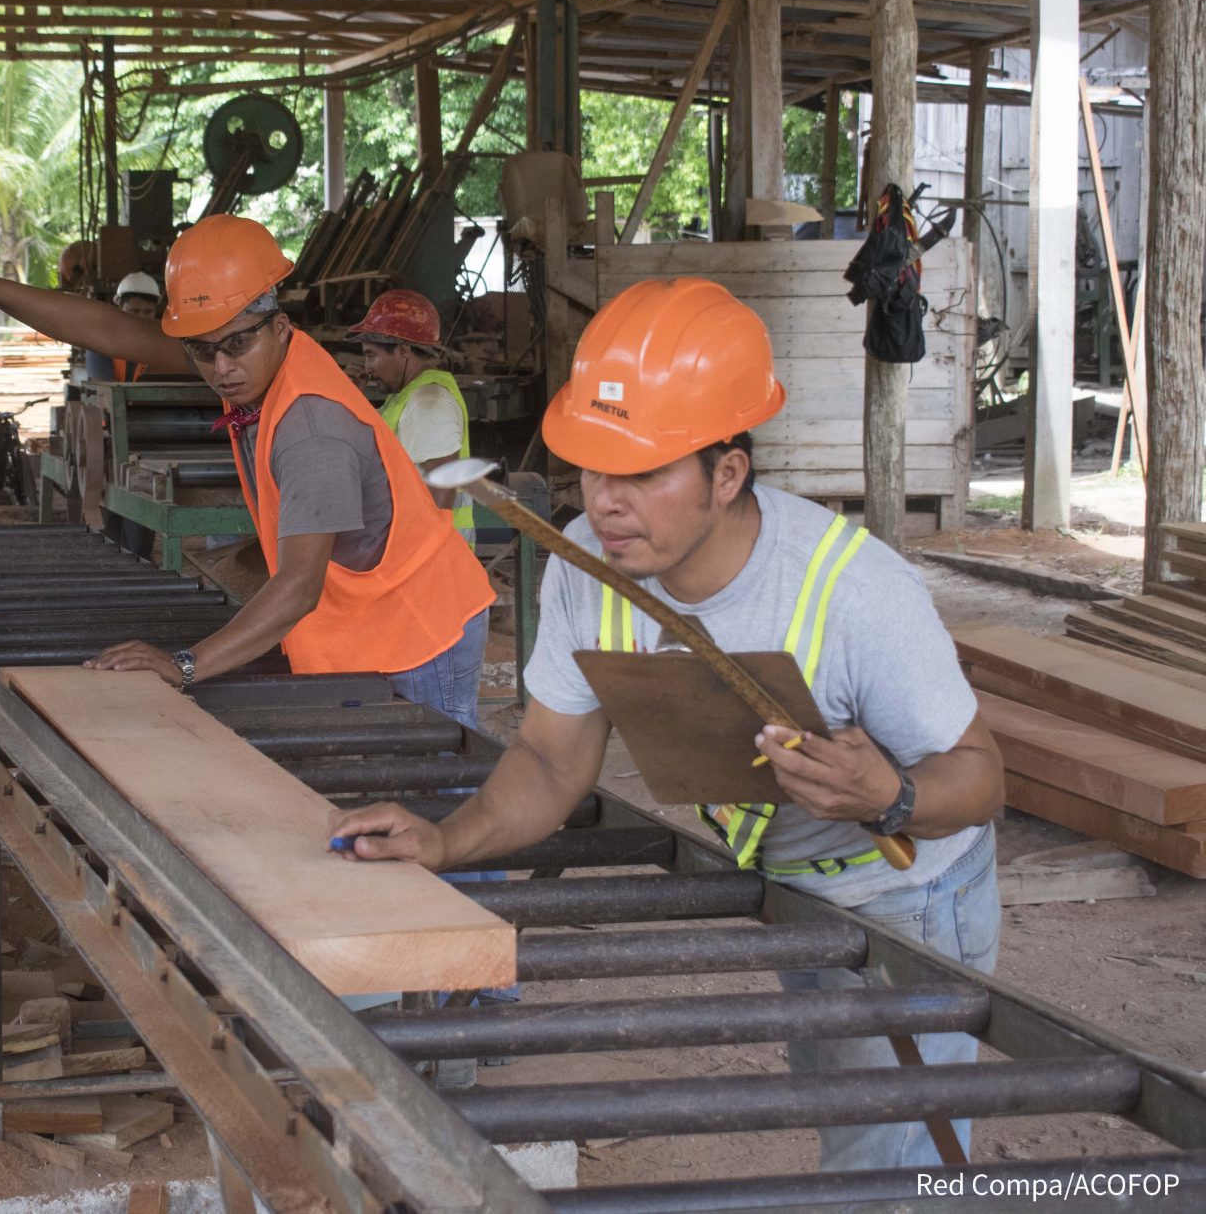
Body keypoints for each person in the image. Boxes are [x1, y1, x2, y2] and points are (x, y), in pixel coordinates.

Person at [330, 277, 1005, 1171]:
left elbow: (983, 775)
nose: (604, 501)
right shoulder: (585, 571)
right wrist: (444, 841)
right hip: (789, 887)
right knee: (847, 1116)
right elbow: (549, 760)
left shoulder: (851, 592)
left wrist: (891, 793)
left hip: (905, 893)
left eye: (641, 474)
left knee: (892, 1166)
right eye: (590, 466)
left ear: (727, 472)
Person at [0, 216, 494, 726]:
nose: (221, 369)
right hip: (372, 623)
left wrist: (184, 665)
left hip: (423, 634)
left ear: (279, 326)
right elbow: (116, 331)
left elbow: (298, 585)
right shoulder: (252, 357)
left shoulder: (312, 428)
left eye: (236, 344)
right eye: (201, 350)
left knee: (435, 813)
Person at [347, 288, 476, 542]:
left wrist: (408, 558)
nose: (367, 368)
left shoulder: (429, 402)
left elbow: (441, 493)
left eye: (371, 355)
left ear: (403, 351)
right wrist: (354, 401)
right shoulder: (407, 396)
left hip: (433, 562)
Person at [85, 272, 164, 382]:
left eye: (148, 312)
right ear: (120, 307)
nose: (142, 318)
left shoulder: (163, 344)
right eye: (135, 311)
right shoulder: (100, 344)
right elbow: (102, 392)